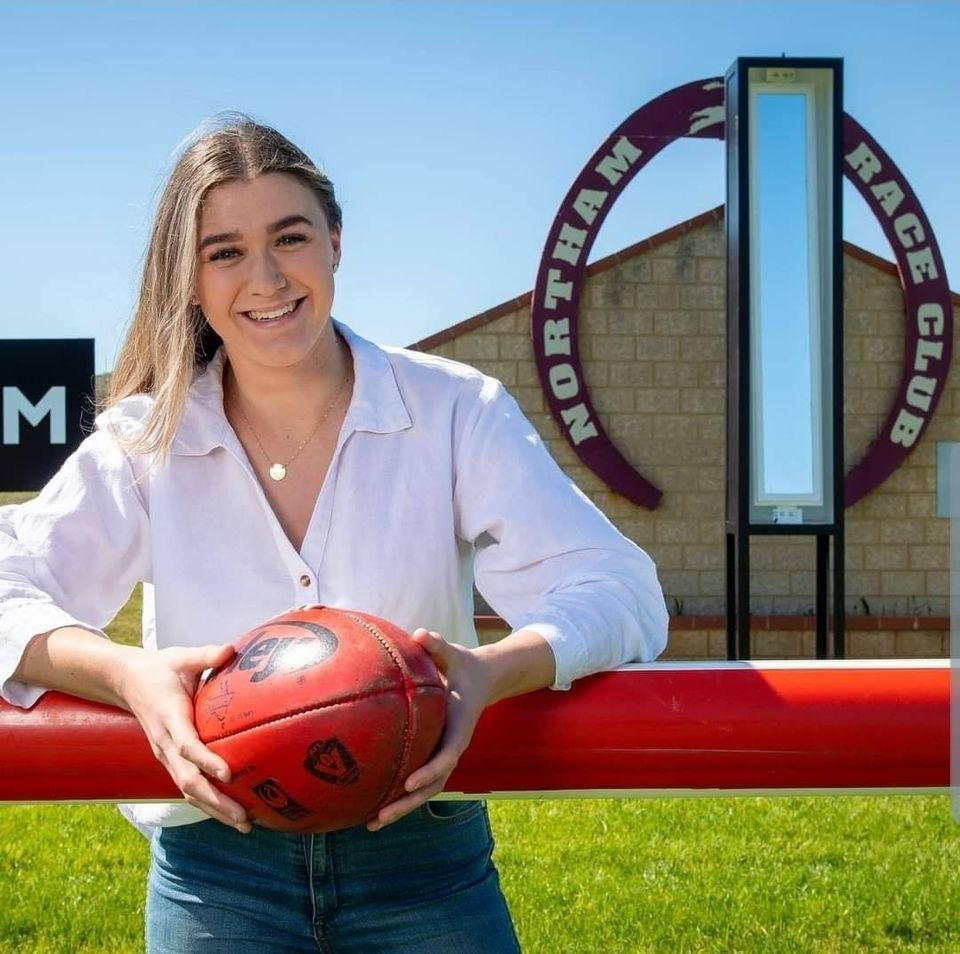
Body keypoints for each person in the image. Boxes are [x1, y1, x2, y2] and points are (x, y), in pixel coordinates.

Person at [0, 115, 668, 953]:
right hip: (218, 872)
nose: (267, 277)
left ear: (336, 244)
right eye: (225, 251)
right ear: (192, 278)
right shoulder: (147, 437)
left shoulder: (456, 410)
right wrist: (126, 674)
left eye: (291, 237)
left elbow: (620, 589)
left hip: (424, 862)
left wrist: (492, 673)